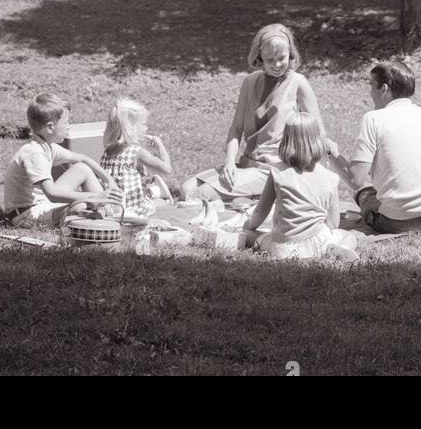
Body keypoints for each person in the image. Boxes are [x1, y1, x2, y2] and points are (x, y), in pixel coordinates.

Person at [180, 24, 327, 215]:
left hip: (274, 169)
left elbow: (319, 133)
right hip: (248, 164)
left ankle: (254, 199)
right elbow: (236, 128)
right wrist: (230, 162)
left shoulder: (298, 83)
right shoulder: (250, 82)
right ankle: (250, 200)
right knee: (186, 188)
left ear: (290, 54)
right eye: (270, 60)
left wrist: (306, 172)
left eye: (281, 58)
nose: (276, 65)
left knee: (200, 194)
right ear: (259, 59)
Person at [344, 60, 421, 234]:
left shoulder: (373, 119)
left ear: (384, 89)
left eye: (371, 86)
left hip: (396, 222)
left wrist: (332, 154)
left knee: (365, 192)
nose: (370, 92)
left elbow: (356, 179)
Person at [242, 111, 363, 261]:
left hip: (284, 247)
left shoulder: (278, 173)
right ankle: (341, 248)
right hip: (319, 242)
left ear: (285, 141)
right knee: (349, 236)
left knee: (249, 236)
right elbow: (333, 223)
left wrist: (248, 226)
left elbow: (260, 212)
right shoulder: (330, 178)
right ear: (318, 140)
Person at [0, 93, 120, 227]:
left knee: (82, 169)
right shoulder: (34, 153)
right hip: (25, 214)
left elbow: (83, 159)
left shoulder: (47, 147)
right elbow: (52, 194)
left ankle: (105, 208)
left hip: (43, 204)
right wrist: (91, 197)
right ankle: (101, 211)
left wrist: (110, 181)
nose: (69, 126)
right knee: (80, 207)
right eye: (66, 122)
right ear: (50, 127)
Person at [99, 98, 172, 218]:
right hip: (132, 208)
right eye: (143, 124)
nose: (146, 128)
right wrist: (160, 146)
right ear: (131, 128)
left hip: (112, 206)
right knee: (163, 202)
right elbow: (166, 169)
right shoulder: (136, 152)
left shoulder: (107, 151)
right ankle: (157, 192)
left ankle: (152, 191)